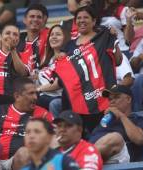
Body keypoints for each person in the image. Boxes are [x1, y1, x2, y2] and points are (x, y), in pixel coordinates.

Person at [45, 5, 123, 133]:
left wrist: (115, 41)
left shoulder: (104, 35)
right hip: (79, 100)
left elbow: (118, 61)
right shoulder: (69, 46)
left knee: (104, 133)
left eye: (86, 17)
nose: (82, 20)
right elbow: (62, 78)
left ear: (93, 21)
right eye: (78, 18)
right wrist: (60, 58)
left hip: (103, 94)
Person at [0, 77, 54, 170]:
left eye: (36, 93)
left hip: (19, 161)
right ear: (17, 96)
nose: (36, 97)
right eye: (31, 93)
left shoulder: (43, 115)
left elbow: (54, 139)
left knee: (24, 153)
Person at [89, 85, 143, 162]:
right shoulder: (104, 122)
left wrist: (121, 116)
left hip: (119, 158)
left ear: (128, 99)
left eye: (116, 97)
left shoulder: (140, 121)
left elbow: (139, 139)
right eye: (110, 99)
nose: (112, 101)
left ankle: (83, 160)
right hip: (99, 159)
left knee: (115, 137)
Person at [18, 4, 49, 73]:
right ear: (24, 20)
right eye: (32, 16)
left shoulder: (50, 36)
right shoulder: (17, 40)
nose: (35, 19)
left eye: (39, 17)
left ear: (43, 21)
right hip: (21, 79)